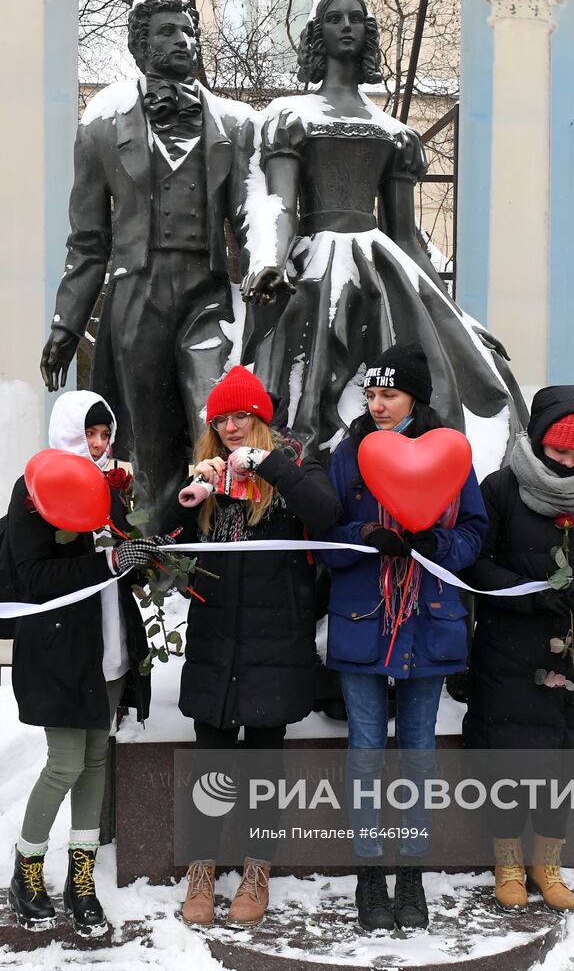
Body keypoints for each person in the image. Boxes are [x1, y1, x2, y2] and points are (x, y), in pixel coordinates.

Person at [243, 0, 523, 456]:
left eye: (355, 18)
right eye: (334, 19)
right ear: (318, 33)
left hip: (381, 264)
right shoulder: (291, 118)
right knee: (308, 384)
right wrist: (269, 259)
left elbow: (406, 238)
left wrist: (455, 315)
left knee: (424, 369)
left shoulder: (395, 135)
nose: (346, 27)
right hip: (316, 266)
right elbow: (282, 204)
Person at [39, 0, 257, 529]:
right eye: (165, 32)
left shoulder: (235, 123)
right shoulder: (102, 127)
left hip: (208, 290)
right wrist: (67, 325)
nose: (181, 41)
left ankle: (225, 541)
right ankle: (159, 562)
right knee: (150, 433)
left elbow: (253, 218)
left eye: (187, 31)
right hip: (137, 293)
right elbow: (88, 240)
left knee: (216, 412)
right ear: (140, 45)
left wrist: (268, 283)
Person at [318, 341, 488, 932]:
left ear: (415, 396)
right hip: (366, 619)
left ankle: (411, 871)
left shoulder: (450, 453)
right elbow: (324, 533)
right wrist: (367, 536)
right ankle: (370, 874)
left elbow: (474, 530)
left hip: (429, 620)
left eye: (389, 393)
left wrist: (439, 547)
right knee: (365, 751)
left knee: (417, 753)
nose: (378, 404)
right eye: (370, 393)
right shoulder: (349, 453)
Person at [168, 366, 342, 927]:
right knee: (211, 767)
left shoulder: (291, 464)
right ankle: (200, 872)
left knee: (264, 767)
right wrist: (189, 495)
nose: (230, 428)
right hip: (217, 644)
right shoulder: (208, 474)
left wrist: (269, 466)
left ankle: (255, 872)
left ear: (261, 419)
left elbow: (326, 512)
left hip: (275, 645)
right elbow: (160, 538)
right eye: (220, 420)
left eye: (240, 416)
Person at [461, 386, 574, 913]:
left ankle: (548, 863)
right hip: (511, 648)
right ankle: (508, 862)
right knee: (510, 765)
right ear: (538, 441)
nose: (570, 462)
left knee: (563, 762)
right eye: (561, 451)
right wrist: (531, 596)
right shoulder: (501, 489)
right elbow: (475, 565)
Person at [6, 391, 158, 937]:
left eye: (104, 434)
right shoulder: (31, 493)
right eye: (89, 433)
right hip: (60, 653)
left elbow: (119, 564)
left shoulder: (110, 492)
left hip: (110, 650)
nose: (98, 444)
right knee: (65, 764)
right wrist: (109, 561)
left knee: (96, 762)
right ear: (67, 431)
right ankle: (26, 872)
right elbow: (33, 580)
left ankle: (82, 879)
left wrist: (142, 558)